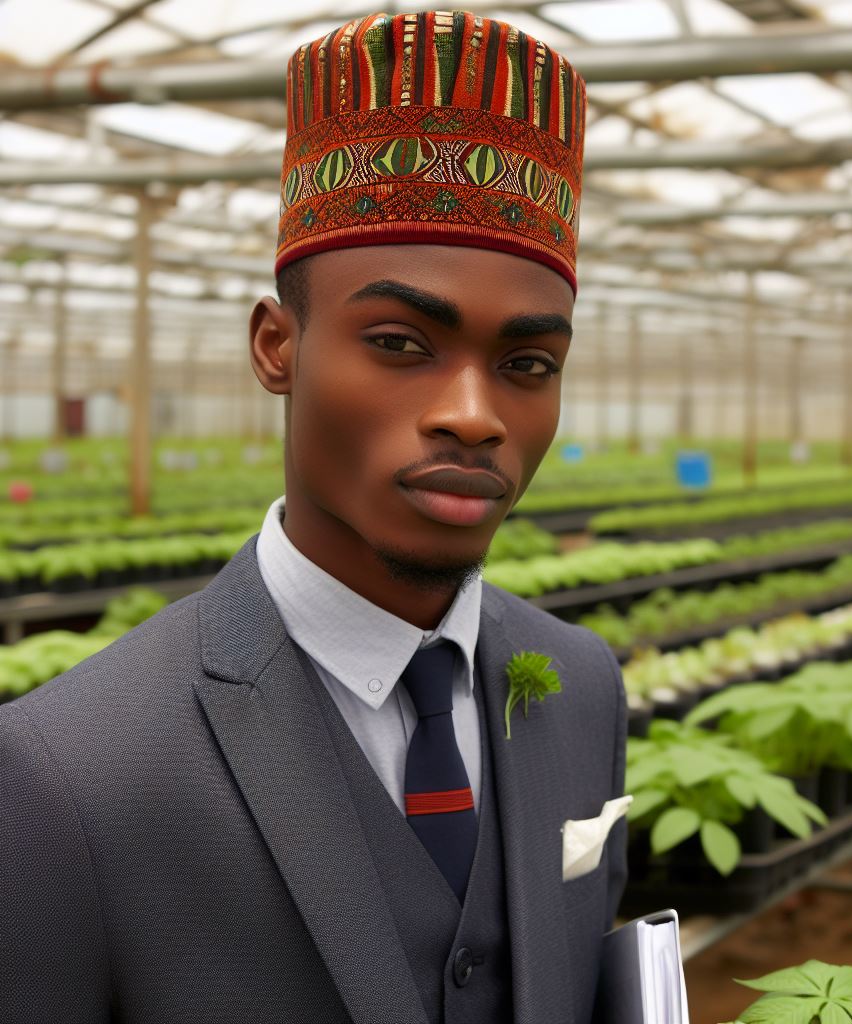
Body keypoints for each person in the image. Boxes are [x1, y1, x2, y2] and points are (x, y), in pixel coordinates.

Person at [1, 11, 627, 1024]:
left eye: (526, 365)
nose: (472, 413)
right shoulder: (70, 772)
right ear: (276, 346)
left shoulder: (582, 688)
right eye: (397, 340)